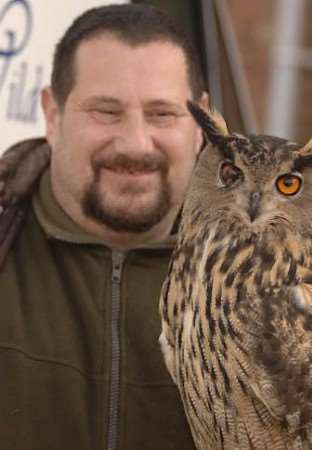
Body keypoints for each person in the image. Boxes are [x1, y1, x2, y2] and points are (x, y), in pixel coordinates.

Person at [0, 4, 209, 449]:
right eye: (106, 112)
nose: (135, 143)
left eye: (162, 114)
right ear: (52, 114)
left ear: (200, 124)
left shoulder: (267, 296)